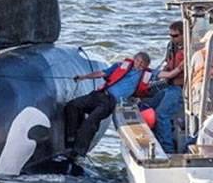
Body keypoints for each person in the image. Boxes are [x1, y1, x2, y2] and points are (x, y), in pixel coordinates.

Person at [65, 52, 152, 157]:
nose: (139, 65)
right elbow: (102, 73)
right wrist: (84, 77)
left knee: (91, 121)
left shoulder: (146, 75)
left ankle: (78, 152)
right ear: (134, 59)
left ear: (146, 65)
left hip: (110, 102)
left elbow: (163, 75)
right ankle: (71, 136)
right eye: (138, 61)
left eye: (143, 64)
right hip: (101, 94)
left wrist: (177, 70)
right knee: (73, 105)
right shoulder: (120, 66)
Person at [145, 21, 185, 154]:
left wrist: (162, 74)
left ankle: (167, 149)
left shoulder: (189, 52)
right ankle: (155, 138)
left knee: (162, 114)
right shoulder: (173, 47)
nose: (172, 38)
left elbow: (176, 72)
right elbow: (168, 67)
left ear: (184, 35)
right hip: (169, 85)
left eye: (175, 36)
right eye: (170, 35)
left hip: (180, 89)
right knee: (148, 104)